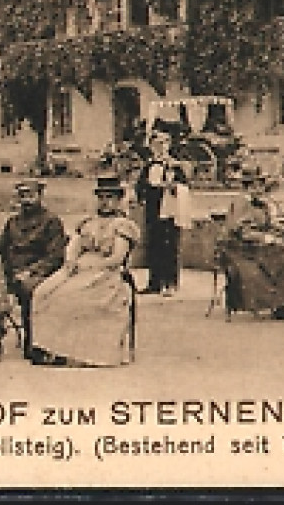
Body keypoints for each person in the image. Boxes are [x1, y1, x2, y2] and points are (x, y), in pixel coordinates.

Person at [29, 176, 140, 367]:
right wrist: (71, 260)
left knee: (73, 298)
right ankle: (48, 347)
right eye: (101, 197)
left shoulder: (122, 225)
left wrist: (92, 267)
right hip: (78, 268)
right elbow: (74, 246)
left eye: (110, 197)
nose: (105, 202)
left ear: (119, 199)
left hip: (106, 273)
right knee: (44, 293)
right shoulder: (88, 223)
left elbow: (117, 258)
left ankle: (77, 352)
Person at [0, 179, 68, 354]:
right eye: (22, 196)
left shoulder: (51, 221)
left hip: (39, 274)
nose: (26, 200)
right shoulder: (12, 222)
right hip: (11, 272)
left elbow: (55, 256)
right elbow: (1, 248)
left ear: (40, 196)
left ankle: (33, 340)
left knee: (29, 289)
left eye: (30, 196)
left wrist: (31, 271)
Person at [220, 184, 284, 319]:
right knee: (279, 260)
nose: (260, 190)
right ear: (248, 187)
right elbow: (241, 231)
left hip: (257, 246)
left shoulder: (260, 204)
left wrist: (282, 231)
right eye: (256, 186)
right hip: (240, 249)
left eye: (261, 187)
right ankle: (278, 304)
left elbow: (267, 224)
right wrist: (265, 238)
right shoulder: (241, 203)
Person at [138, 130, 189, 295]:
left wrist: (172, 187)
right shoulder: (149, 165)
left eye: (163, 144)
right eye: (156, 145)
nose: (160, 148)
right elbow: (140, 186)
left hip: (170, 211)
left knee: (170, 246)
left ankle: (170, 283)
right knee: (153, 245)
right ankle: (154, 282)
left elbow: (184, 187)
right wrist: (142, 193)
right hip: (153, 211)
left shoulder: (175, 166)